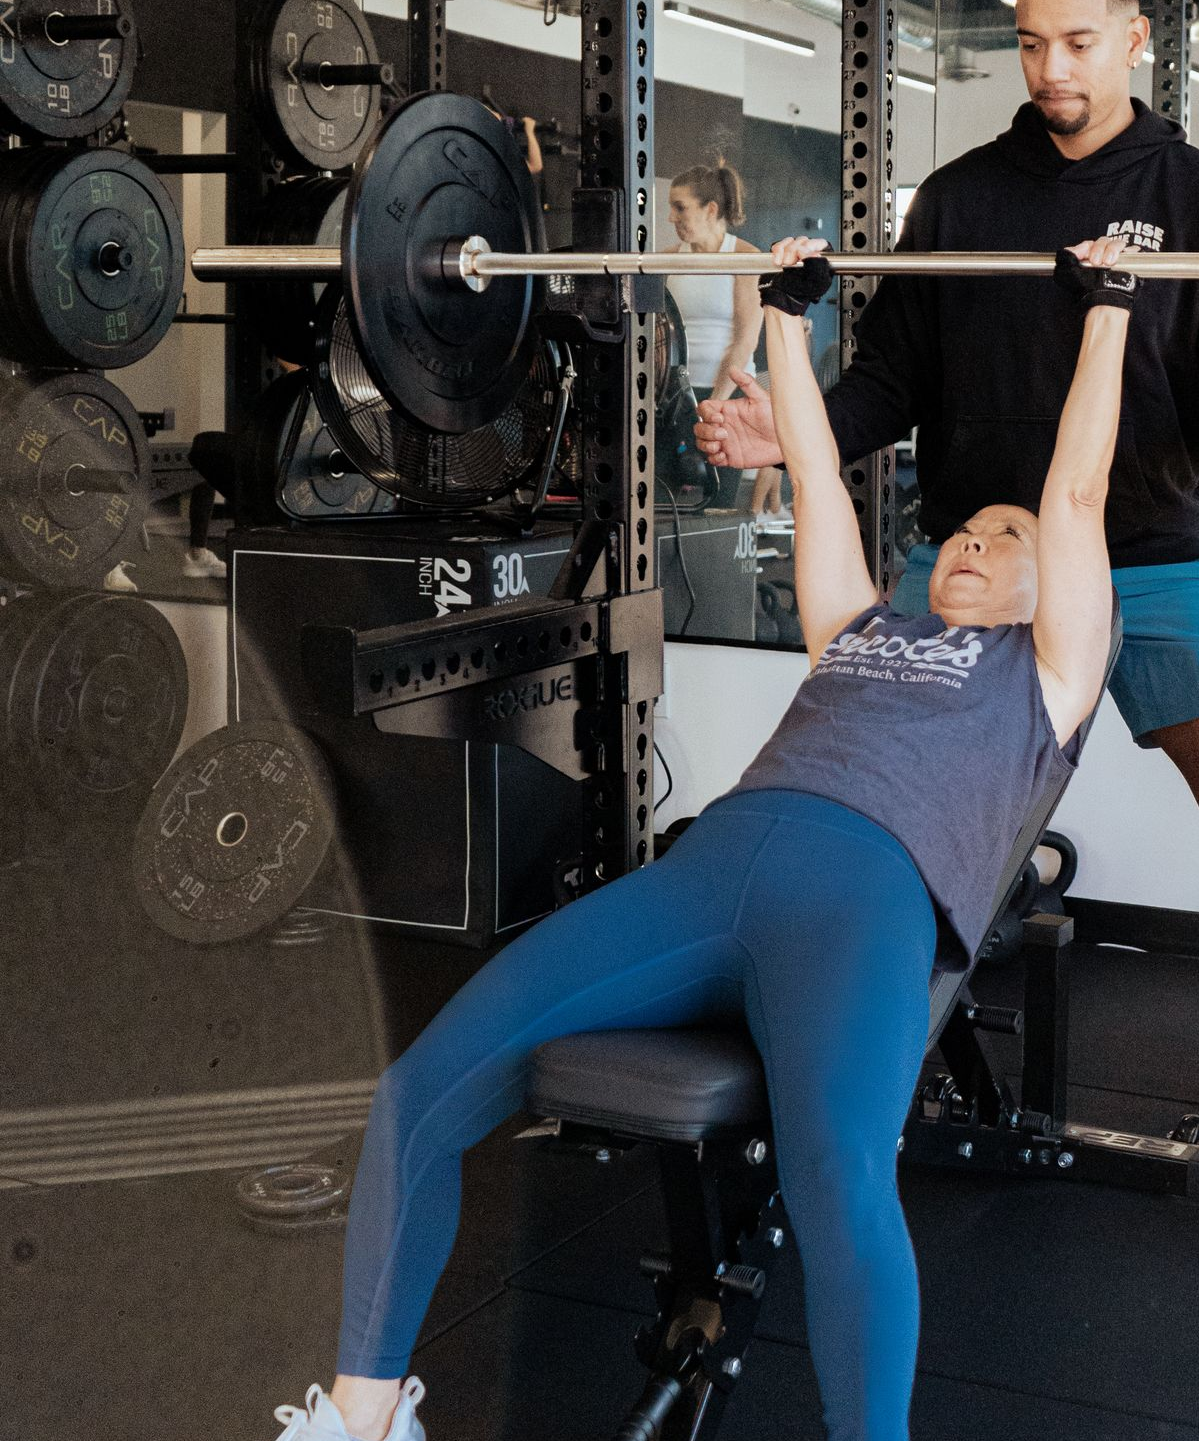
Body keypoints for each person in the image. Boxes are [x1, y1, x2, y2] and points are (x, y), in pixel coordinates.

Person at [269, 233, 1134, 1441]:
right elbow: (822, 483)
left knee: (840, 1180)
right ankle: (359, 1420)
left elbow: (1079, 492)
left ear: (1061, 586)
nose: (976, 545)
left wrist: (1108, 313)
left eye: (1007, 536)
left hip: (863, 904)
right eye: (965, 534)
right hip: (711, 873)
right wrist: (784, 316)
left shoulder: (1049, 677)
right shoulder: (862, 627)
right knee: (418, 1091)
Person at [698, 0, 1199, 1183]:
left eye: (1077, 42)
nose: (1050, 67)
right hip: (970, 558)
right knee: (882, 816)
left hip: (1151, 562)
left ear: (1136, 39)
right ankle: (857, 1058)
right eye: (1029, 42)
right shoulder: (960, 199)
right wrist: (773, 431)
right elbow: (889, 382)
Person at [664, 160, 764, 406]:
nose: (671, 217)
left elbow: (746, 340)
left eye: (680, 208)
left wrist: (716, 402)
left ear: (710, 209)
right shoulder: (666, 259)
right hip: (675, 393)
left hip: (730, 394)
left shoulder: (745, 258)